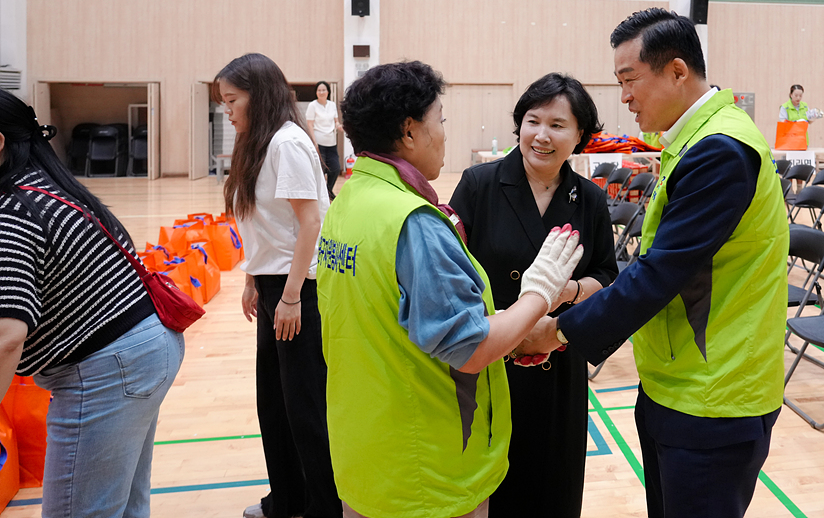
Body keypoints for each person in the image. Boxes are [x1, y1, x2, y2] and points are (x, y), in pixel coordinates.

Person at [520, 9, 788, 518]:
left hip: (715, 397)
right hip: (676, 381)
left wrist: (557, 332)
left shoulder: (721, 151)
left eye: (629, 80)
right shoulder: (691, 142)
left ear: (678, 72)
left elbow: (661, 273)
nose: (623, 97)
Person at [317, 61, 584, 518]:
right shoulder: (414, 223)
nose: (444, 133)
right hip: (426, 470)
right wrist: (539, 293)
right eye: (439, 120)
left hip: (366, 452)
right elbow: (471, 348)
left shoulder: (348, 203)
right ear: (409, 131)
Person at [0, 89, 185, 517]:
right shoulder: (50, 188)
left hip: (109, 368)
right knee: (120, 507)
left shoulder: (13, 209)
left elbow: (9, 336)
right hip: (143, 349)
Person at [450, 73, 618, 518]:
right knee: (493, 484)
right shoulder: (478, 185)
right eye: (532, 121)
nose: (542, 136)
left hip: (557, 360)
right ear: (518, 125)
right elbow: (451, 272)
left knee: (553, 484)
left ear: (580, 135)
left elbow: (607, 275)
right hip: (489, 360)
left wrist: (571, 290)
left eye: (558, 125)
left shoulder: (591, 200)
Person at [214, 54, 342, 518]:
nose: (226, 110)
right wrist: (252, 276)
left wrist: (289, 297)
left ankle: (322, 506)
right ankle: (286, 497)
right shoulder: (258, 142)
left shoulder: (287, 143)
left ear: (259, 94)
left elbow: (310, 223)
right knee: (274, 403)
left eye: (232, 100)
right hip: (273, 286)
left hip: (298, 290)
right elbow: (265, 221)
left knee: (305, 408)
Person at [306, 80, 343, 200]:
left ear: (328, 92)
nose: (321, 92)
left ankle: (328, 190)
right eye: (319, 90)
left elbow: (336, 122)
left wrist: (341, 127)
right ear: (316, 92)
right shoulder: (312, 105)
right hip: (319, 142)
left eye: (323, 90)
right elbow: (310, 124)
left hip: (331, 142)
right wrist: (314, 142)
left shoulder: (332, 105)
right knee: (321, 169)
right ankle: (320, 194)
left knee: (335, 168)